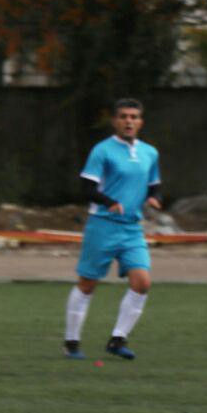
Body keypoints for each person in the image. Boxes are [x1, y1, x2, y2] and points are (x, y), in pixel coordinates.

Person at [63, 98, 162, 361]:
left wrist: (153, 198)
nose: (129, 121)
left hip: (132, 229)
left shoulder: (150, 153)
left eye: (133, 117)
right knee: (87, 284)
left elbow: (153, 185)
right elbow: (87, 188)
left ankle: (117, 340)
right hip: (102, 226)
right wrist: (110, 202)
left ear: (140, 122)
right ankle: (71, 342)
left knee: (142, 283)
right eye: (123, 116)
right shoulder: (102, 151)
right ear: (115, 121)